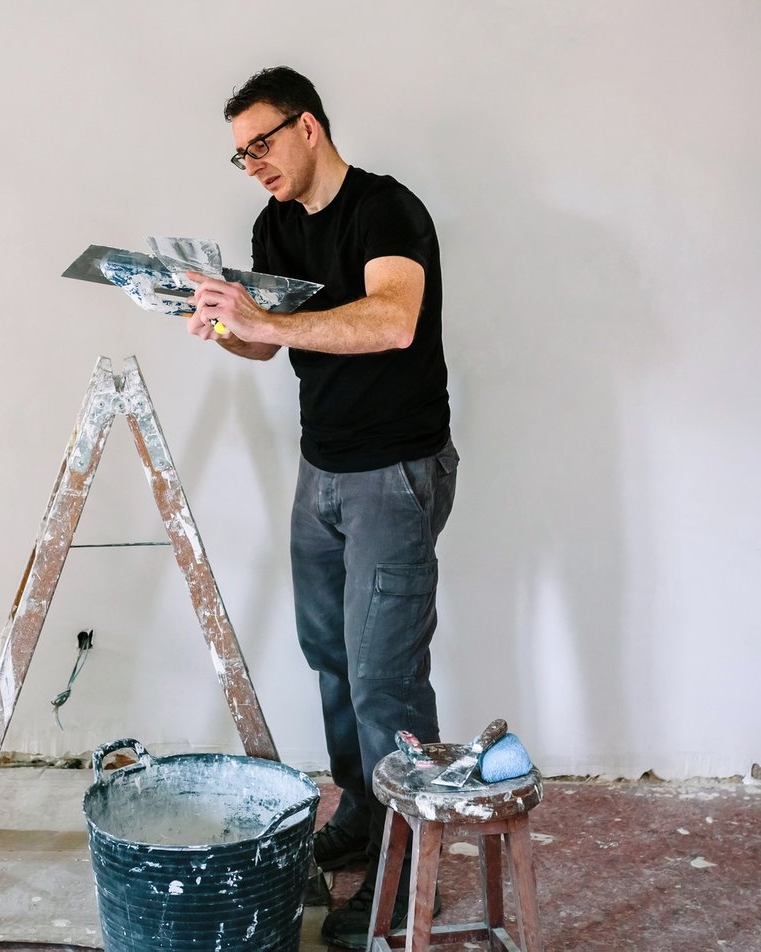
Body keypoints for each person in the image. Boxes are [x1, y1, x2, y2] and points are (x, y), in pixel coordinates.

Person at [185, 65, 459, 948]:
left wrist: (269, 325)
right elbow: (268, 348)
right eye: (241, 154)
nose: (254, 164)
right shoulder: (274, 224)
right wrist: (224, 325)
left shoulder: (386, 209)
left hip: (395, 471)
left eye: (261, 143)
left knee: (386, 677)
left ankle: (410, 866)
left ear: (308, 128)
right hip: (324, 471)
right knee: (332, 659)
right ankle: (369, 814)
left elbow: (392, 320)